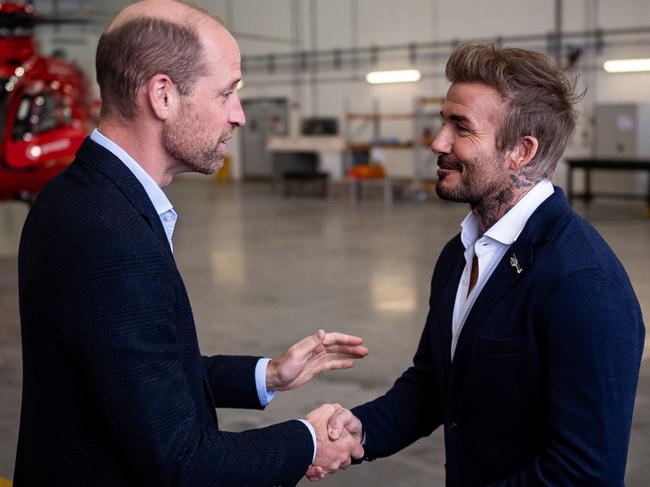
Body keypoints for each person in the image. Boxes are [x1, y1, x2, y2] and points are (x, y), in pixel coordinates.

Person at [14, 1, 366, 485]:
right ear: (163, 96)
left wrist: (269, 375)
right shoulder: (110, 237)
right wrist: (308, 440)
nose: (239, 116)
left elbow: (135, 368)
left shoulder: (80, 197)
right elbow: (182, 463)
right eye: (226, 94)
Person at [317, 43, 646, 485]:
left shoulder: (583, 283)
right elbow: (435, 383)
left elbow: (584, 474)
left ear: (521, 152)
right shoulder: (461, 252)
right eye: (442, 122)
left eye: (461, 128)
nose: (438, 142)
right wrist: (363, 430)